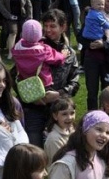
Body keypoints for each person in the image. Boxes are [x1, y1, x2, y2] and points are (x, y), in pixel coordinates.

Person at [17, 9, 81, 146]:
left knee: (62, 150)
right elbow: (16, 77)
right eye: (45, 26)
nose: (48, 30)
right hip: (33, 110)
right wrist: (32, 96)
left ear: (63, 27)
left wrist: (59, 94)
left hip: (60, 111)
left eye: (52, 26)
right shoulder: (32, 48)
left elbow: (75, 82)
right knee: (35, 151)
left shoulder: (69, 54)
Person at [81, 0, 109, 111]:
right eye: (107, 1)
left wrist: (104, 44)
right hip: (91, 58)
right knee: (92, 91)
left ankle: (108, 116)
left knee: (108, 92)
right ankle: (92, 116)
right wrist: (90, 44)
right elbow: (81, 36)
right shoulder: (92, 15)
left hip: (108, 59)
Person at [11, 19, 68, 94]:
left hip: (24, 81)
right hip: (43, 82)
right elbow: (57, 58)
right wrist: (63, 55)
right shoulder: (43, 50)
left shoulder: (17, 48)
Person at [43, 96, 76, 162]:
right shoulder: (54, 139)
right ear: (55, 116)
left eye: (72, 113)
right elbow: (60, 164)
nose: (69, 117)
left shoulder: (72, 130)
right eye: (64, 114)